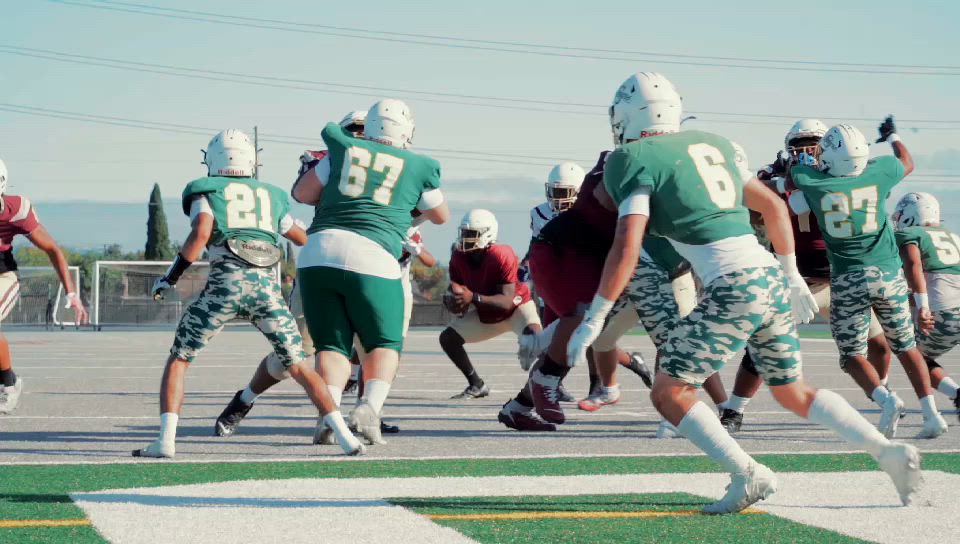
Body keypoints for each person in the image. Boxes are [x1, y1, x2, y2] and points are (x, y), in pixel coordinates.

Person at [568, 72, 922, 513]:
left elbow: (627, 245)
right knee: (792, 391)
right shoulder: (713, 143)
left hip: (734, 284)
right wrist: (790, 274)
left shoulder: (632, 157)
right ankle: (883, 450)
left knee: (669, 392)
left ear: (625, 115)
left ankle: (747, 473)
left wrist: (598, 315)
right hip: (770, 275)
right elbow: (772, 206)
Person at [135, 129, 364, 458]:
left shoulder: (207, 191)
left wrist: (171, 277)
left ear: (212, 160)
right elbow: (301, 238)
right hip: (266, 289)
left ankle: (166, 442)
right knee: (300, 365)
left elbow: (200, 234)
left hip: (224, 287)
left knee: (180, 359)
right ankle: (345, 437)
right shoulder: (270, 195)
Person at [293, 99, 450, 447]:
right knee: (384, 343)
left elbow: (302, 193)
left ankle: (328, 415)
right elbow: (441, 215)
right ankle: (369, 408)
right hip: (374, 254)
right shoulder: (417, 164)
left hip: (318, 251)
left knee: (331, 345)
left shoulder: (342, 150)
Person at [720, 120, 893, 434]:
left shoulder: (839, 174)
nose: (805, 150)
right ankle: (734, 409)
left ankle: (882, 400)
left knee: (879, 346)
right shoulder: (775, 174)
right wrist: (789, 182)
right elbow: (756, 199)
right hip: (801, 281)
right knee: (765, 342)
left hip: (842, 279)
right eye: (798, 144)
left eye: (812, 142)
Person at [787, 119, 948, 439]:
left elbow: (795, 182)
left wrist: (799, 163)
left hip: (847, 279)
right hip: (888, 275)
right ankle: (931, 413)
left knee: (852, 356)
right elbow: (907, 161)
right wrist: (895, 137)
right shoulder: (879, 172)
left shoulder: (814, 181)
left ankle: (886, 398)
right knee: (907, 347)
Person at [0, 158, 88, 414]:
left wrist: (72, 293)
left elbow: (52, 248)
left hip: (4, 275)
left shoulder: (16, 211)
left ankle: (9, 384)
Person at [441, 209, 543, 399]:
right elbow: (457, 288)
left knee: (538, 341)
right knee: (448, 338)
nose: (465, 237)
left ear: (487, 234)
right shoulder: (458, 256)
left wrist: (472, 298)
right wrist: (452, 300)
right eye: (464, 232)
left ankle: (551, 385)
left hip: (516, 309)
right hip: (486, 312)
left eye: (471, 234)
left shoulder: (501, 254)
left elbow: (505, 301)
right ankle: (477, 385)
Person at [893, 192, 960, 420]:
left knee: (910, 354)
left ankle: (954, 397)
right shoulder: (953, 236)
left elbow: (914, 267)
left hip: (946, 311)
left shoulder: (911, 234)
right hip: (953, 304)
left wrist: (922, 305)